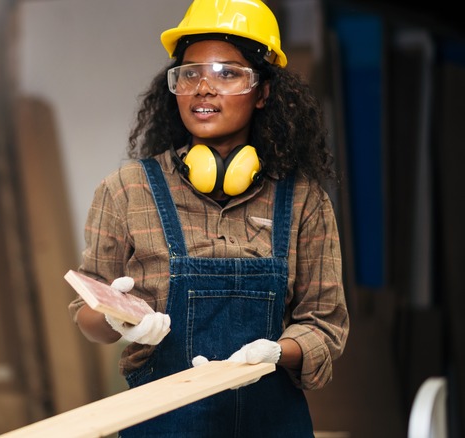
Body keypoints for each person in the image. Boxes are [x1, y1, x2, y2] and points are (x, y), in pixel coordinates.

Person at [68, 0, 350, 436]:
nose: (203, 86)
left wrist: (277, 352)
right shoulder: (126, 190)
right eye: (190, 73)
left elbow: (324, 323)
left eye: (227, 73)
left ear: (263, 91)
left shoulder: (303, 200)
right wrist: (112, 318)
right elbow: (86, 317)